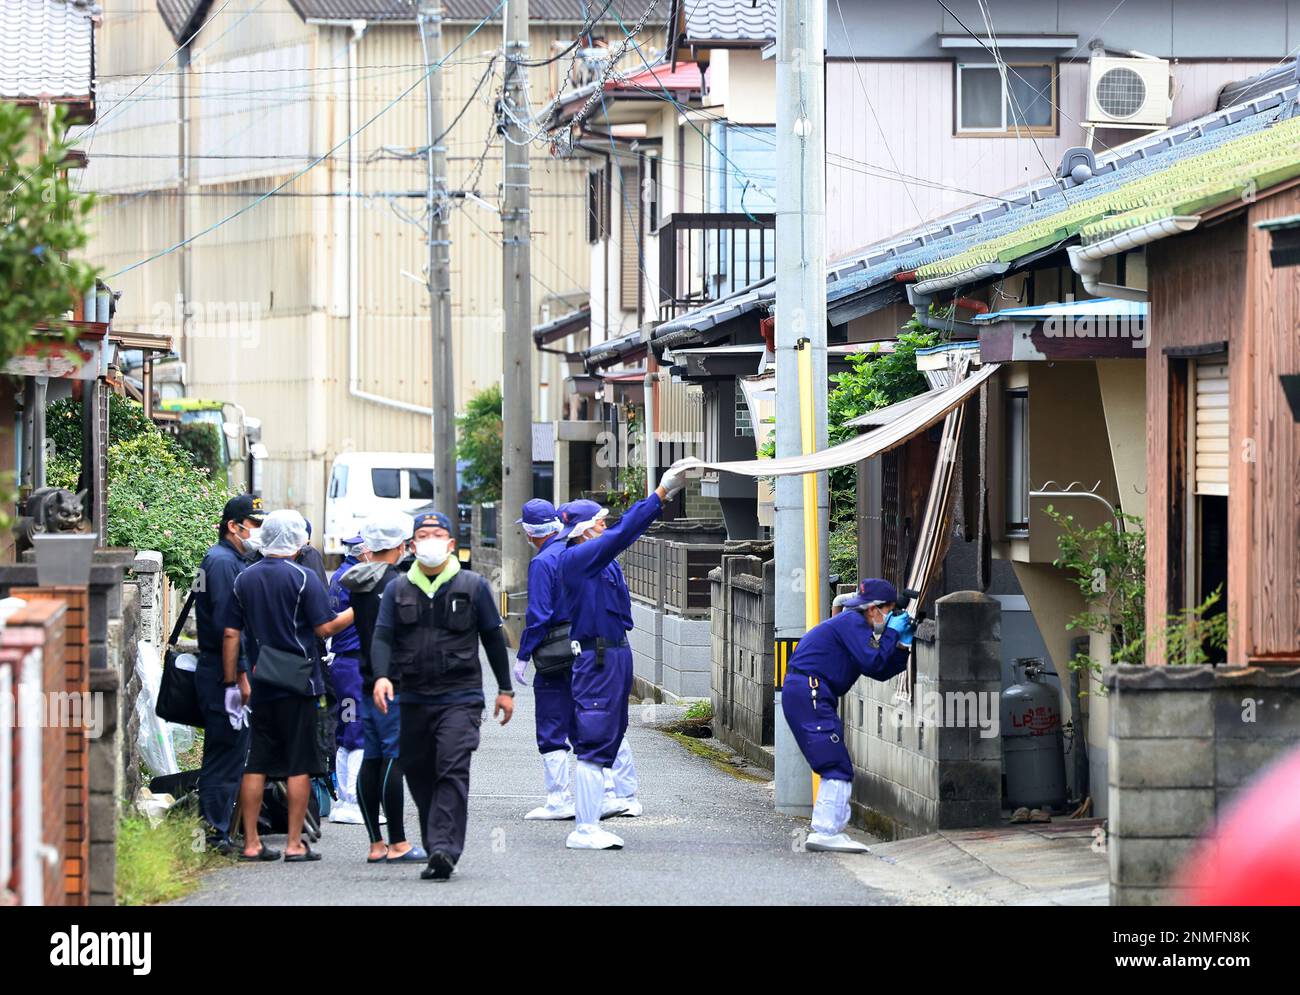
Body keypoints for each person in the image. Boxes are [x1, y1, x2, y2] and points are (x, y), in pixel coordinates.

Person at [369, 510, 514, 880]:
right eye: (422, 533)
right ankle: (437, 842)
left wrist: (505, 689)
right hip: (413, 697)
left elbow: (493, 638)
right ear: (413, 544)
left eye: (437, 533)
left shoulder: (473, 585)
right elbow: (383, 635)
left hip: (460, 696)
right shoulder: (397, 588)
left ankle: (443, 849)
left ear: (451, 544)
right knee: (418, 771)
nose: (429, 539)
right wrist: (382, 677)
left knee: (451, 767)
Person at [558, 467, 687, 850]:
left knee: (610, 734)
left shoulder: (596, 559)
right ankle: (584, 828)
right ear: (582, 530)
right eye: (597, 523)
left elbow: (617, 538)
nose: (604, 527)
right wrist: (661, 493)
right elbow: (623, 533)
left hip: (612, 654)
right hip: (597, 657)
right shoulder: (580, 557)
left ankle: (603, 810)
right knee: (595, 740)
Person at [223, 509, 354, 862]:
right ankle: (295, 844)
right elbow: (324, 628)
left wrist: (235, 681)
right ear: (297, 540)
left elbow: (232, 633)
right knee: (299, 764)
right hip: (300, 682)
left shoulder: (244, 579)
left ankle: (250, 844)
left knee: (256, 762)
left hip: (260, 680)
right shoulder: (304, 577)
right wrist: (358, 609)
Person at [781, 578, 915, 853]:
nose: (889, 617)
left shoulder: (852, 625)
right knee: (836, 764)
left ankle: (828, 831)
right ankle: (826, 832)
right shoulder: (852, 624)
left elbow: (879, 671)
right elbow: (873, 661)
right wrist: (892, 635)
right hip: (811, 692)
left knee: (836, 763)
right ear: (873, 609)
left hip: (810, 693)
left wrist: (901, 647)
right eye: (888, 610)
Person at [338, 510, 425, 864]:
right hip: (396, 681)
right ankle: (400, 842)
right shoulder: (398, 585)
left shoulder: (358, 581)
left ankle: (376, 843)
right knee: (394, 758)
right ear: (401, 545)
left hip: (366, 678)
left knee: (372, 759)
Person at [193, 494, 263, 852]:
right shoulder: (222, 563)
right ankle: (214, 833)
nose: (259, 531)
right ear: (233, 526)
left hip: (221, 671)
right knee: (225, 753)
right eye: (255, 524)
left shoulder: (226, 559)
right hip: (223, 675)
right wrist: (237, 677)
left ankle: (217, 830)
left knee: (227, 751)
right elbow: (227, 628)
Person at [514, 498, 576, 820]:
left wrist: (523, 655)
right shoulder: (575, 550)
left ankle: (558, 800)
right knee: (588, 723)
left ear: (529, 531)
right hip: (587, 649)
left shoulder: (543, 562)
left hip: (555, 656)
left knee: (552, 723)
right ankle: (612, 793)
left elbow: (538, 616)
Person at [326, 534, 366, 824]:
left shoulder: (340, 575)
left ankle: (345, 799)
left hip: (344, 664)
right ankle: (352, 801)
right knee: (356, 731)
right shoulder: (359, 579)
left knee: (346, 730)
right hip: (353, 663)